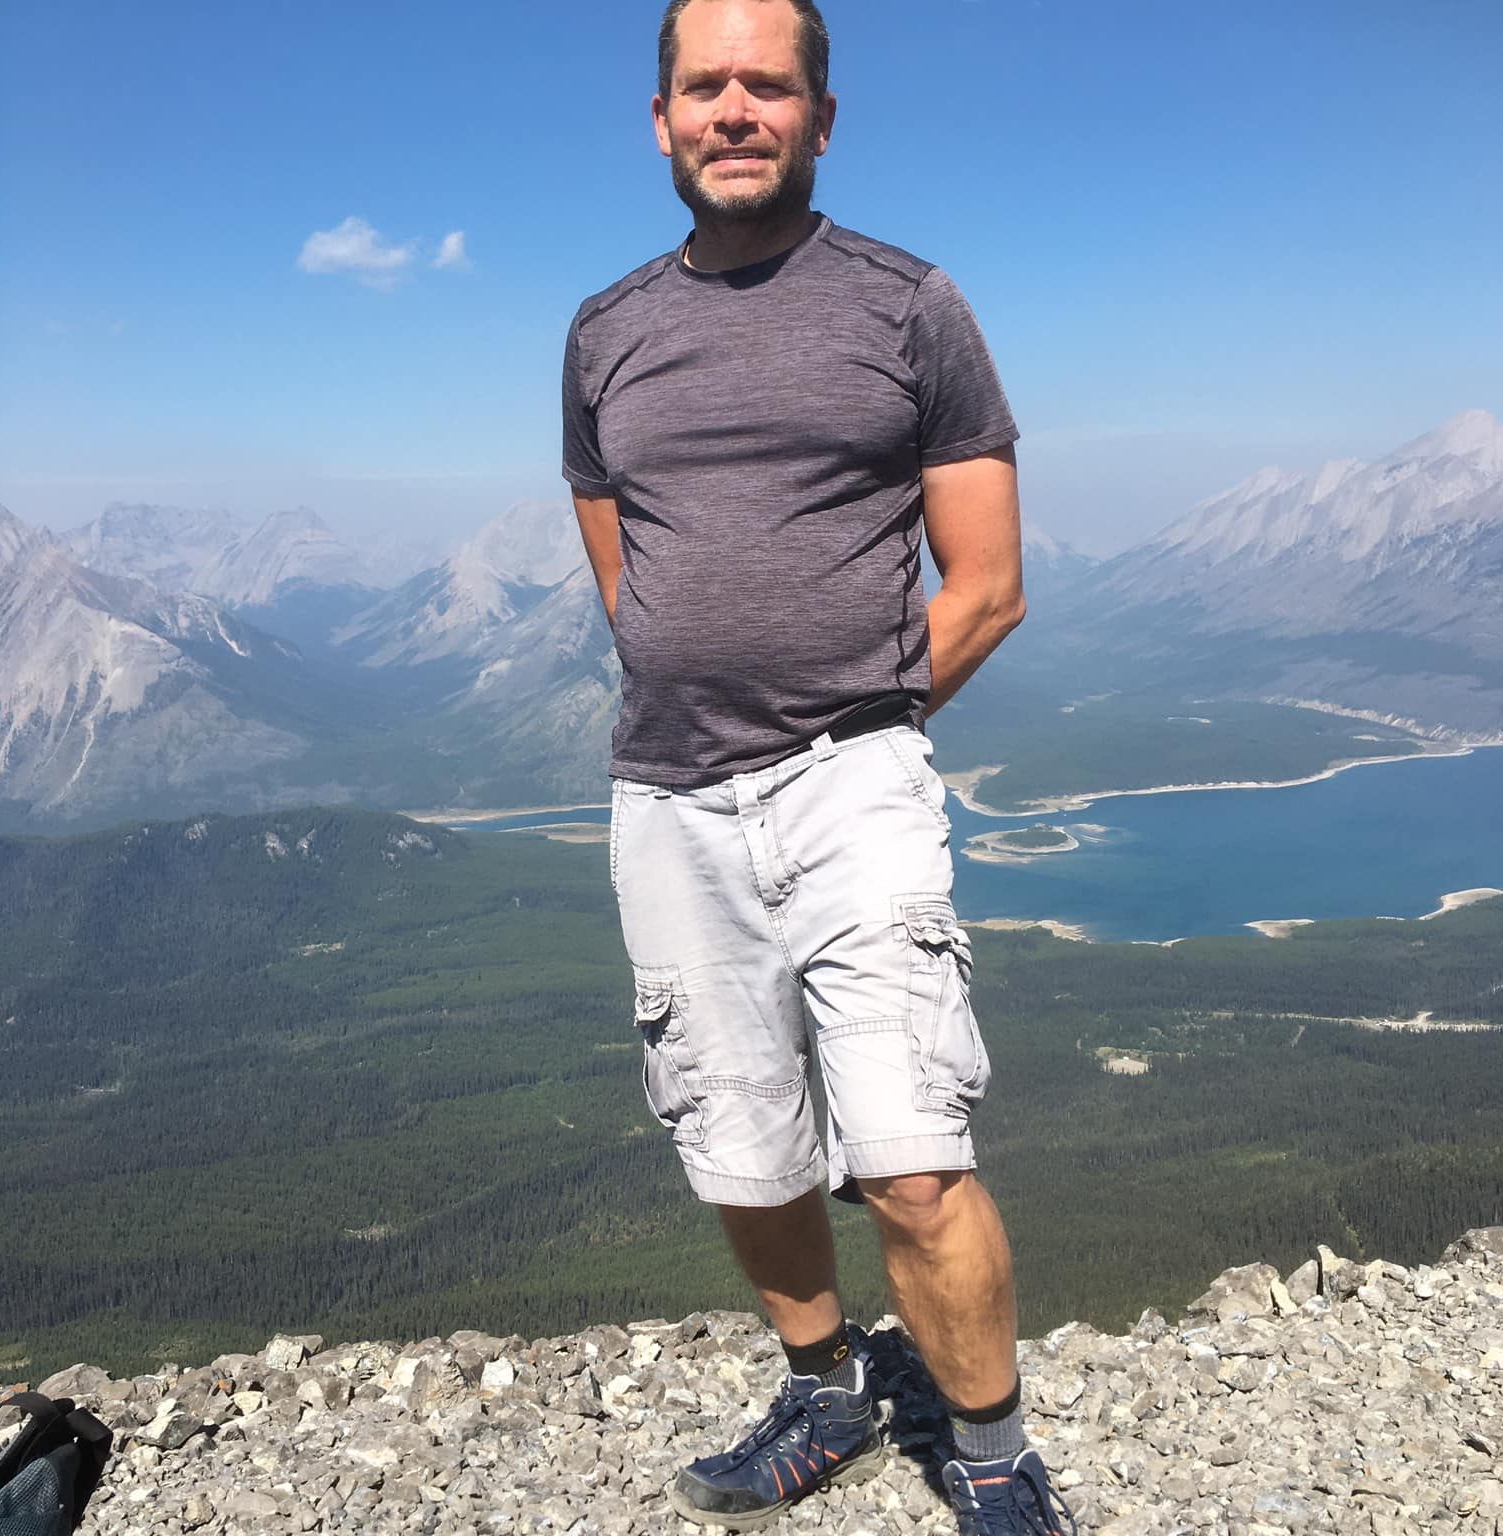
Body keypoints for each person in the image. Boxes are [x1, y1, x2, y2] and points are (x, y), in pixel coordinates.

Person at [562, 3, 1075, 1532]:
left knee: (911, 1153)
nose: (735, 109)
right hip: (664, 792)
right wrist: (705, 684)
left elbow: (986, 586)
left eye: (767, 86)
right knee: (736, 1128)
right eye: (704, 86)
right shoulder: (604, 331)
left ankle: (990, 1458)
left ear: (821, 118)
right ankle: (825, 1387)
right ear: (659, 119)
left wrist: (847, 717)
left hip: (854, 778)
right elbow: (624, 571)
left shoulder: (910, 307)